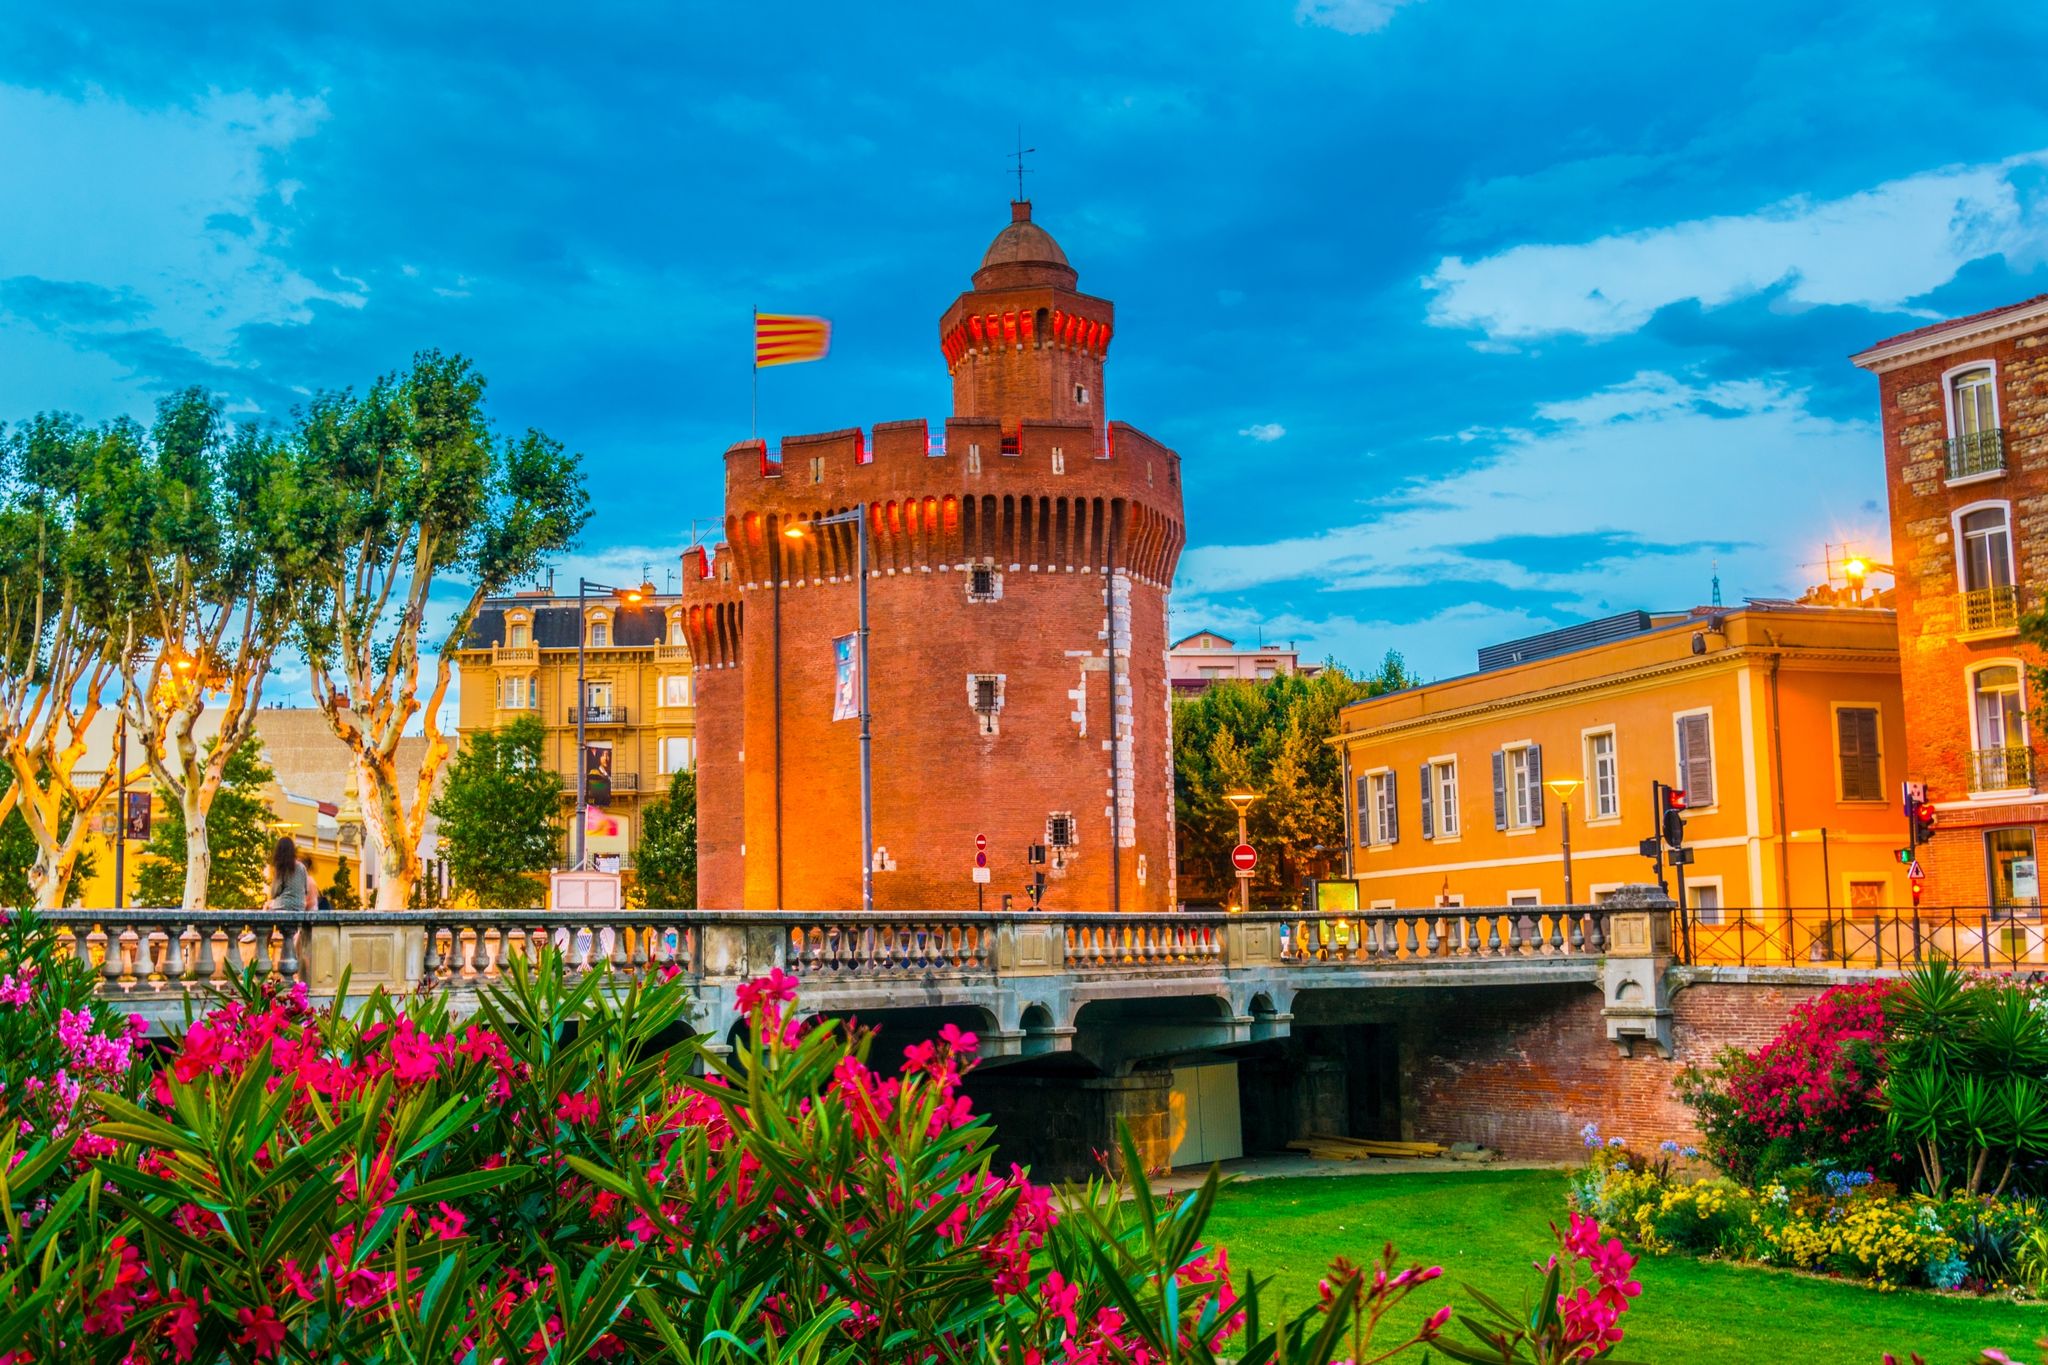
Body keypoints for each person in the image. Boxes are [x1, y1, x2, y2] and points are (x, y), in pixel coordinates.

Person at [266, 835, 311, 912]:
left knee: (266, 907)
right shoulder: (302, 867)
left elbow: (275, 892)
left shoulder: (282, 867)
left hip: (284, 905)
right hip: (300, 906)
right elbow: (307, 889)